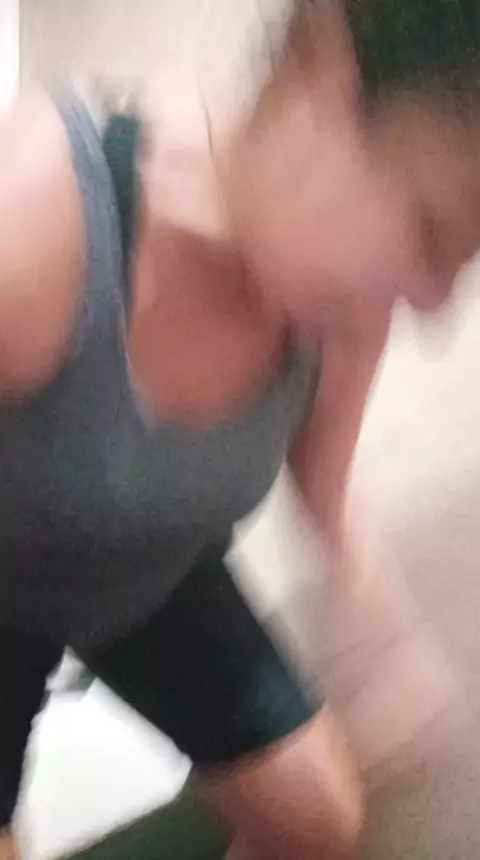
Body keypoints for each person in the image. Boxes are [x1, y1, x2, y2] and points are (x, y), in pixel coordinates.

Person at [1, 1, 480, 858]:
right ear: (323, 85)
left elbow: (322, 482)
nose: (431, 301)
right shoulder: (38, 225)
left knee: (319, 821)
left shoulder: (341, 314)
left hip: (147, 578)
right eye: (429, 230)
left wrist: (371, 622)